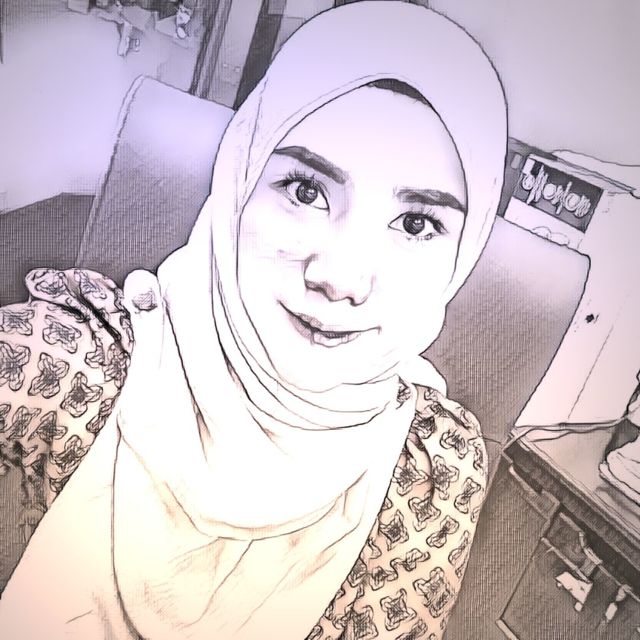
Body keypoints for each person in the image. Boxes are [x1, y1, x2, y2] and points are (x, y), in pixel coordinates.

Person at [0, 1, 507, 637]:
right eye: (306, 191)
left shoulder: (433, 471)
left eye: (415, 224)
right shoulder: (76, 363)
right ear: (238, 186)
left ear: (461, 257)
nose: (341, 278)